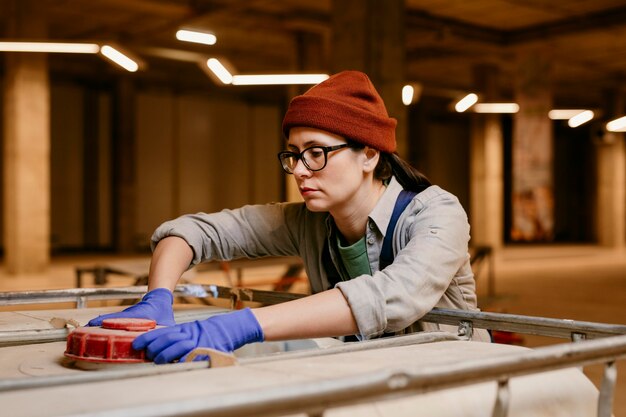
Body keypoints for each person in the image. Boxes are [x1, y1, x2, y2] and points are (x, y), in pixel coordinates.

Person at [88, 70, 490, 364]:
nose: (299, 170)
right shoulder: (310, 221)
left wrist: (243, 324)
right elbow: (193, 232)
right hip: (375, 371)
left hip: (457, 381)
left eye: (316, 152)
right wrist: (158, 296)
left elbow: (392, 297)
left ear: (369, 154)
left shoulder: (436, 212)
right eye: (294, 154)